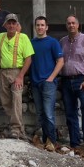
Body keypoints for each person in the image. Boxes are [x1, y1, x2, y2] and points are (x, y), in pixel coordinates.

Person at [59, 15, 84, 156]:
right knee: (70, 111)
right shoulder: (62, 42)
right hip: (66, 81)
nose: (71, 25)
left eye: (73, 23)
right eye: (68, 23)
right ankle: (75, 143)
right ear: (66, 25)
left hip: (82, 80)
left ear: (78, 25)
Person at [0, 13, 34, 139]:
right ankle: (19, 128)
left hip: (16, 72)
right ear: (5, 25)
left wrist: (20, 76)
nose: (11, 25)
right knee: (5, 100)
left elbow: (28, 59)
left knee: (17, 99)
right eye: (9, 23)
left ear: (17, 25)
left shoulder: (23, 38)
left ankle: (15, 128)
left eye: (14, 23)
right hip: (2, 72)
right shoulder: (0, 37)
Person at [30, 16, 63, 149]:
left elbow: (60, 61)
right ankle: (43, 140)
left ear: (46, 27)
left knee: (48, 113)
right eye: (38, 25)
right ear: (35, 27)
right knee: (39, 113)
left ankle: (51, 141)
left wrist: (51, 78)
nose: (40, 27)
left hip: (48, 83)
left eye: (42, 25)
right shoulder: (31, 42)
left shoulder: (53, 42)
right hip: (35, 83)